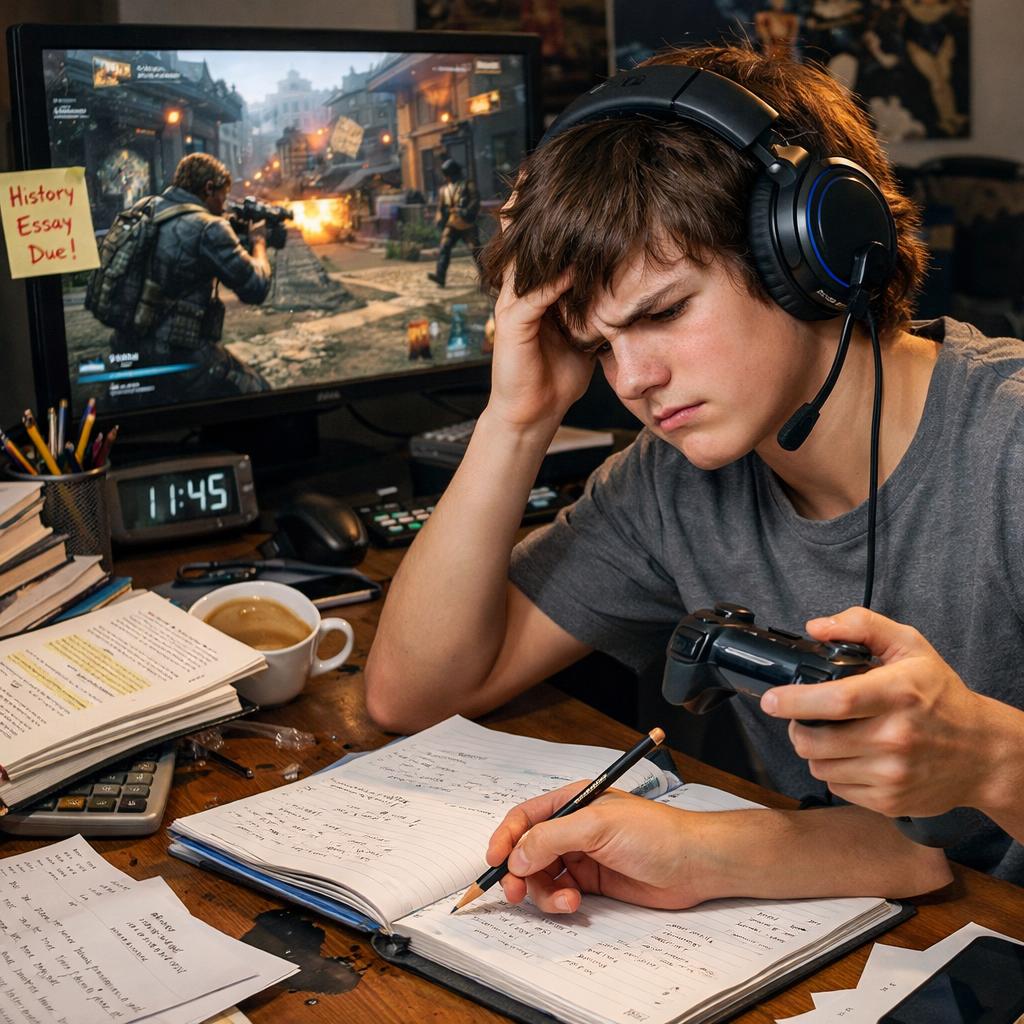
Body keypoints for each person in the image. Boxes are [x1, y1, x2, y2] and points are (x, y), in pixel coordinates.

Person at [365, 42, 1024, 913]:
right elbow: (411, 693)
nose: (633, 380)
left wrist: (993, 758)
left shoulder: (1010, 444)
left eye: (666, 311)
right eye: (599, 347)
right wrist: (518, 417)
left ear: (815, 251)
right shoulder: (668, 482)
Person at [108, 152, 273, 404]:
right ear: (209, 188)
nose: (223, 206)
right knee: (262, 393)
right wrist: (258, 241)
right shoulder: (209, 227)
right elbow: (256, 288)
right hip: (178, 360)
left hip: (126, 351)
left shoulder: (144, 208)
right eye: (222, 197)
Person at [427, 158, 482, 288]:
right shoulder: (444, 189)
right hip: (452, 223)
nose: (447, 178)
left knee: (475, 249)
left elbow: (475, 200)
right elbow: (441, 207)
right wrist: (439, 218)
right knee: (444, 247)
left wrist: (464, 211)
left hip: (467, 224)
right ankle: (440, 276)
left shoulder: (468, 184)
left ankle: (487, 277)